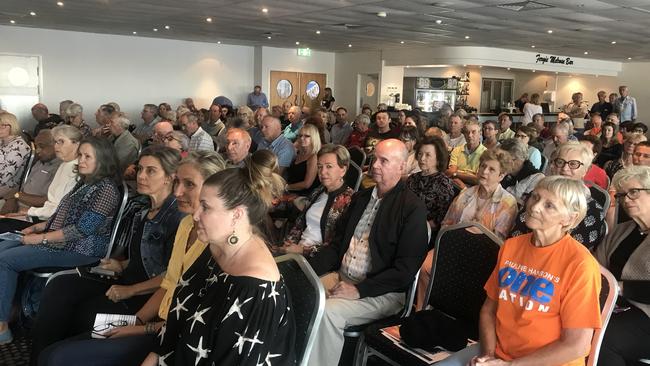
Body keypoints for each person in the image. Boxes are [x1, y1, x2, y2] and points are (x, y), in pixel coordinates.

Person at [36, 151, 226, 365]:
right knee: (61, 296)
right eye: (179, 182)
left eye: (189, 184)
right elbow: (169, 282)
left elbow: (195, 317)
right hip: (155, 313)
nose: (179, 191)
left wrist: (141, 323)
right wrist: (137, 320)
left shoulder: (210, 238)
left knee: (58, 355)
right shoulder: (184, 223)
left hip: (173, 331)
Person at [140, 153, 296, 366]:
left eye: (206, 207)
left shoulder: (256, 289)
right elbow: (178, 318)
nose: (196, 215)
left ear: (237, 215)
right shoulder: (216, 247)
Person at [439, 176, 602, 366]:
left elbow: (577, 345)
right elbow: (488, 311)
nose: (535, 207)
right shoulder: (511, 246)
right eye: (535, 197)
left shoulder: (580, 264)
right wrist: (488, 356)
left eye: (549, 205)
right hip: (499, 354)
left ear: (569, 218)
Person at [307, 139, 429, 366]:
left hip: (383, 292)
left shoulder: (412, 208)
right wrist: (306, 271)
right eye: (374, 159)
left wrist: (358, 290)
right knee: (300, 292)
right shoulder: (361, 198)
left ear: (401, 167)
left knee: (327, 312)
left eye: (384, 161)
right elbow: (336, 246)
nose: (374, 166)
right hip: (343, 276)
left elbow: (404, 271)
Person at [0, 137, 120, 344]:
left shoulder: (106, 189)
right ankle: (11, 310)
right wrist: (38, 227)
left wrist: (40, 239)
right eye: (80, 155)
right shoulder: (85, 183)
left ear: (102, 159)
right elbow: (62, 215)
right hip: (61, 241)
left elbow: (82, 229)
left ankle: (2, 327)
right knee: (3, 247)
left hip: (81, 250)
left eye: (87, 156)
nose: (81, 160)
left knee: (5, 260)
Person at [417, 149, 518, 310]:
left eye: (492, 169)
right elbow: (447, 224)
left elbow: (498, 240)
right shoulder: (466, 194)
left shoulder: (507, 202)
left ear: (501, 175)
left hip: (484, 255)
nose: (484, 171)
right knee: (425, 266)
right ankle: (422, 310)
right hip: (453, 247)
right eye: (483, 166)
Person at [595, 166, 650, 364]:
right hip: (611, 306)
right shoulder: (621, 230)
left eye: (634, 192)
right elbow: (595, 268)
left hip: (645, 316)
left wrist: (619, 288)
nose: (626, 200)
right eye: (621, 195)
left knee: (604, 337)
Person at [510, 141, 606, 250]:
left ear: (586, 170)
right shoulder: (538, 193)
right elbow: (517, 230)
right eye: (560, 162)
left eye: (573, 164)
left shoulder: (593, 210)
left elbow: (573, 254)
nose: (565, 169)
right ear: (553, 165)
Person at [280, 144, 354, 256]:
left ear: (343, 170)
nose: (322, 172)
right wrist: (290, 242)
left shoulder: (350, 200)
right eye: (319, 167)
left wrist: (302, 250)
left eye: (329, 166)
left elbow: (336, 247)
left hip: (314, 260)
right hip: (295, 251)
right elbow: (301, 222)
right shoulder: (319, 190)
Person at [0, 130, 60, 215]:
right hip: (19, 203)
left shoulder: (59, 168)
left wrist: (16, 196)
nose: (38, 151)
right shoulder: (40, 163)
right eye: (36, 146)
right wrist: (12, 199)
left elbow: (45, 201)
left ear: (56, 145)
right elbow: (22, 188)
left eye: (42, 147)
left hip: (32, 211)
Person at [406, 136, 455, 237]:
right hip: (404, 224)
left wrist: (414, 229)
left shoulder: (444, 184)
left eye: (428, 155)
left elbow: (439, 220)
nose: (422, 158)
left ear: (438, 159)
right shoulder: (413, 178)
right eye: (420, 154)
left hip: (424, 232)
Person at [499, 138, 545, 205]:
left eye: (504, 159)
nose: (501, 162)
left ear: (516, 160)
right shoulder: (505, 171)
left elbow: (524, 205)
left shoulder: (536, 178)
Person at [446, 120, 487, 187]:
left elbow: (478, 180)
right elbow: (451, 172)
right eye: (467, 132)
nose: (470, 135)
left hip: (476, 188)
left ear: (480, 134)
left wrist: (456, 173)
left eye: (473, 132)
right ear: (464, 135)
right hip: (455, 184)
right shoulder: (457, 150)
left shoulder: (486, 154)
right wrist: (470, 175)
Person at [0, 112, 31, 192]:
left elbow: (4, 177)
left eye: (3, 125)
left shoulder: (19, 146)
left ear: (12, 126)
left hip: (8, 186)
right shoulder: (2, 142)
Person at [286, 124, 320, 195]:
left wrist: (286, 187)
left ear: (314, 138)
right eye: (300, 136)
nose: (302, 138)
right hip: (290, 190)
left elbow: (307, 184)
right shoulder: (299, 152)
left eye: (307, 136)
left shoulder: (313, 157)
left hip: (302, 195)